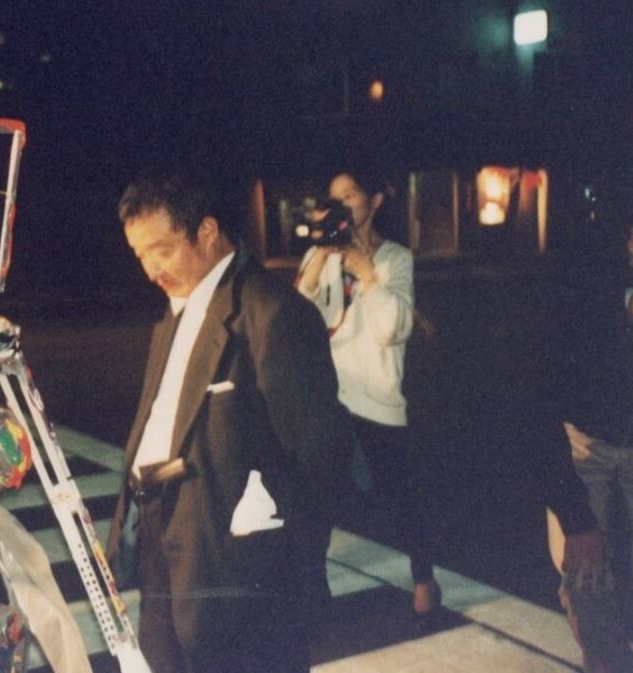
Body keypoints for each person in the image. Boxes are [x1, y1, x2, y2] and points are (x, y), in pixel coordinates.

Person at [105, 166, 352, 673]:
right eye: (139, 254)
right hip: (160, 533)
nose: (151, 269)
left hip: (232, 559)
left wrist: (268, 534)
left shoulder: (271, 312)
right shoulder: (176, 310)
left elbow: (322, 452)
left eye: (162, 250)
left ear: (207, 231)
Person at [295, 169, 439, 615]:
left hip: (377, 399)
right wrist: (322, 255)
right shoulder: (319, 257)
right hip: (328, 399)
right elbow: (296, 319)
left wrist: (364, 270)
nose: (341, 204)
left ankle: (424, 578)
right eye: (333, 197)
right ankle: (312, 587)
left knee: (401, 497)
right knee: (313, 498)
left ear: (375, 200)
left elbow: (392, 329)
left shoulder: (395, 258)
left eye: (350, 195)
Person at [547, 221, 633, 672]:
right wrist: (575, 516)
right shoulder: (584, 281)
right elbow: (539, 402)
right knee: (584, 571)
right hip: (583, 436)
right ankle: (603, 658)